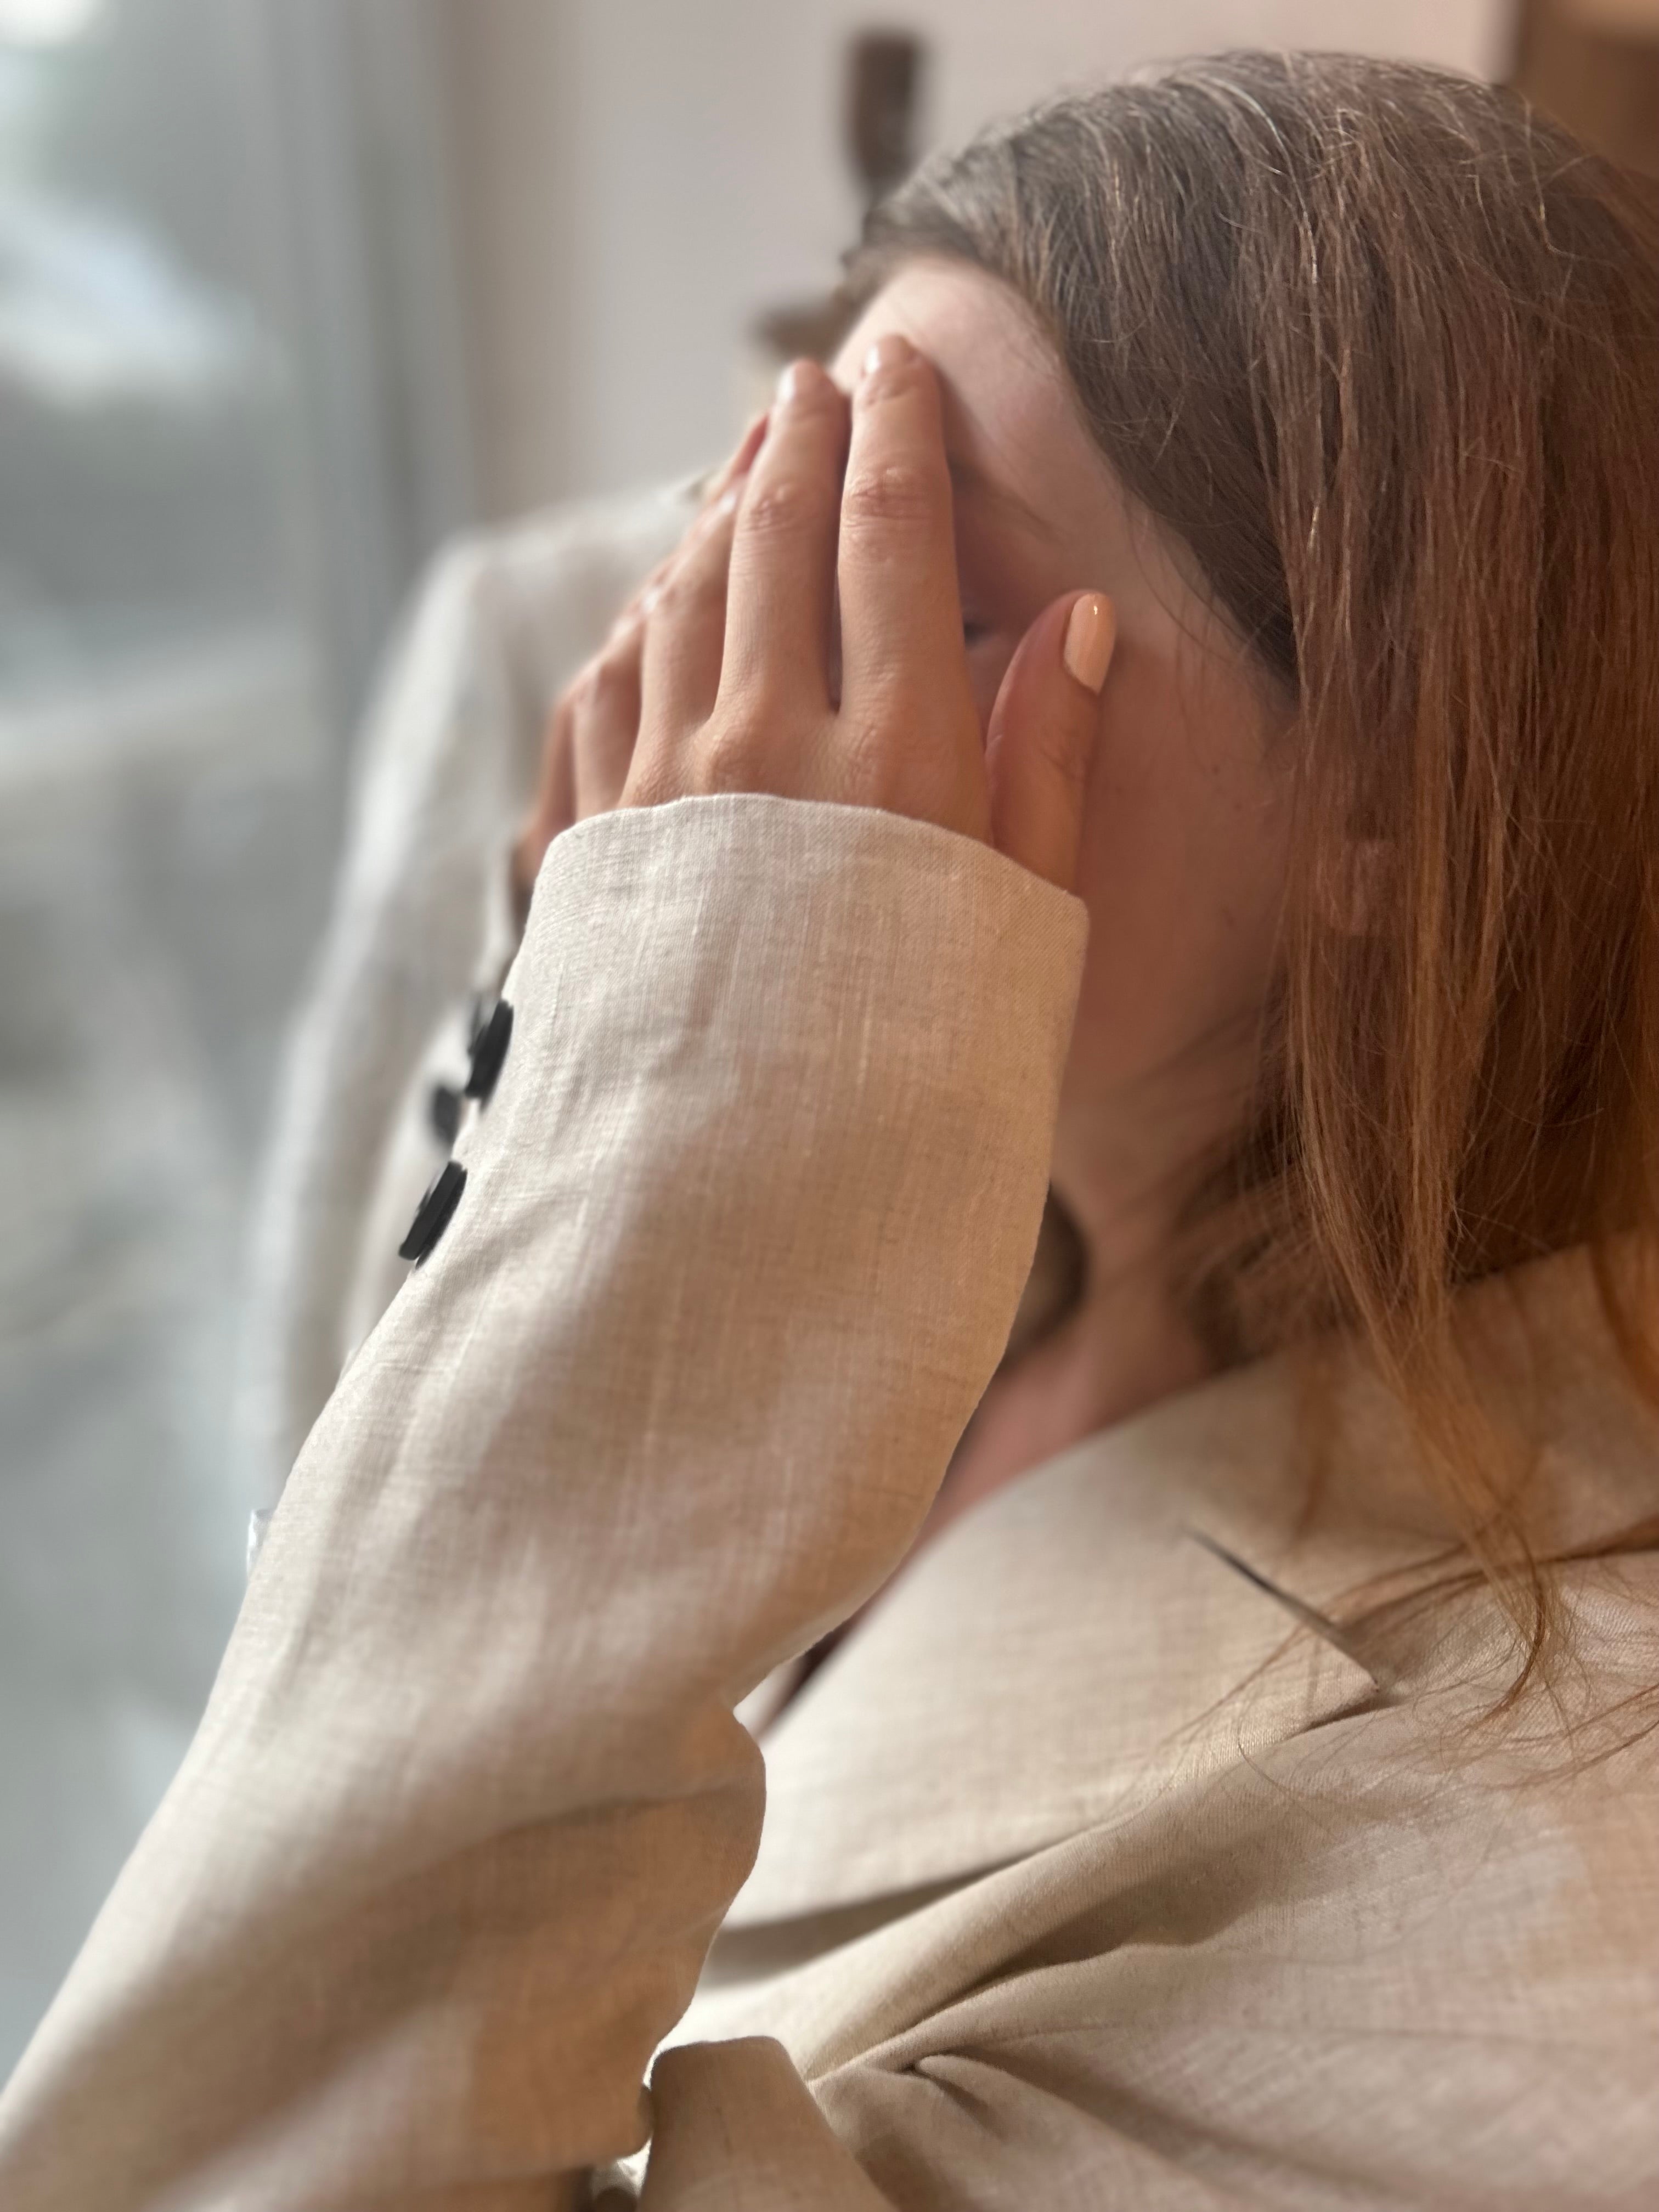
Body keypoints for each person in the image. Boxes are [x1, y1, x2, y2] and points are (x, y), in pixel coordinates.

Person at [3, 47, 1658, 2208]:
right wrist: (594, 1081)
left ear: (1387, 789)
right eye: (759, 538)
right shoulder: (904, 1240)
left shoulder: (1541, 1876)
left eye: (899, 593)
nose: (721, 700)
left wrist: (689, 1072)